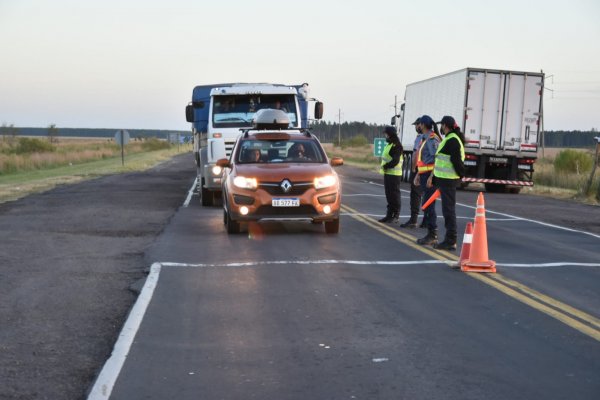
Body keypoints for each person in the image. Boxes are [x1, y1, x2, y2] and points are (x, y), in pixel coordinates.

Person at [431, 115, 465, 251]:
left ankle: (451, 240)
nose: (441, 128)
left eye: (442, 126)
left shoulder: (452, 140)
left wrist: (462, 175)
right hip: (445, 180)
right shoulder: (450, 139)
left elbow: (456, 161)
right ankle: (450, 239)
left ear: (445, 125)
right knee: (447, 210)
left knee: (449, 211)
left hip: (449, 181)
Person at [414, 115, 441, 245]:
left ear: (423, 125)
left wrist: (431, 176)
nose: (417, 126)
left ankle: (432, 234)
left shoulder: (431, 139)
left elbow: (437, 158)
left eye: (419, 124)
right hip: (425, 174)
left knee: (429, 205)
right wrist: (418, 174)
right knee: (427, 205)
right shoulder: (425, 138)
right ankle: (431, 233)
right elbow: (424, 159)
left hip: (430, 176)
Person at [400, 117, 424, 228]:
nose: (415, 127)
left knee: (415, 195)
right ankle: (426, 220)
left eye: (416, 125)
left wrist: (414, 169)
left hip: (419, 170)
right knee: (426, 196)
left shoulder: (420, 137)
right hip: (427, 170)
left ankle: (413, 219)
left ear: (421, 125)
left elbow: (415, 154)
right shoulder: (432, 136)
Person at [378, 126, 404, 223]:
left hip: (394, 174)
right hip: (388, 173)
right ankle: (389, 215)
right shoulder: (389, 144)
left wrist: (386, 166)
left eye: (386, 134)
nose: (385, 136)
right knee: (389, 195)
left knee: (394, 195)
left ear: (390, 134)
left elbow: (396, 160)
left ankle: (395, 215)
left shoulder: (397, 145)